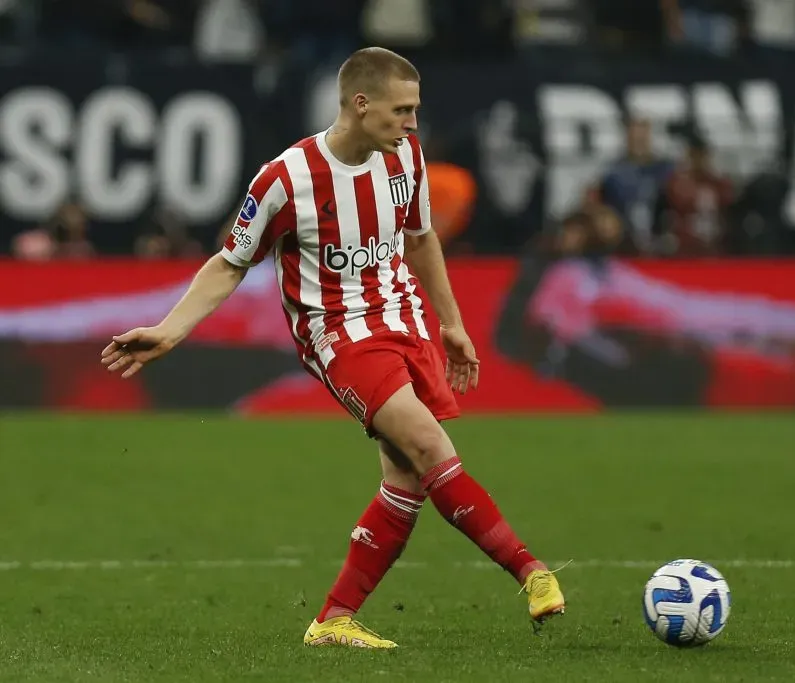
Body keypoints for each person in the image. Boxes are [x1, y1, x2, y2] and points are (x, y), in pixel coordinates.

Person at [99, 47, 565, 649]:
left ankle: (334, 620)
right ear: (360, 103)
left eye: (416, 110)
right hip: (337, 334)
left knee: (406, 478)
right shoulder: (284, 178)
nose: (413, 123)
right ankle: (531, 571)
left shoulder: (407, 158)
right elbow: (230, 262)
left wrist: (450, 322)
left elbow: (420, 238)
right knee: (429, 445)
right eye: (402, 110)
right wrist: (170, 328)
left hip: (403, 319)